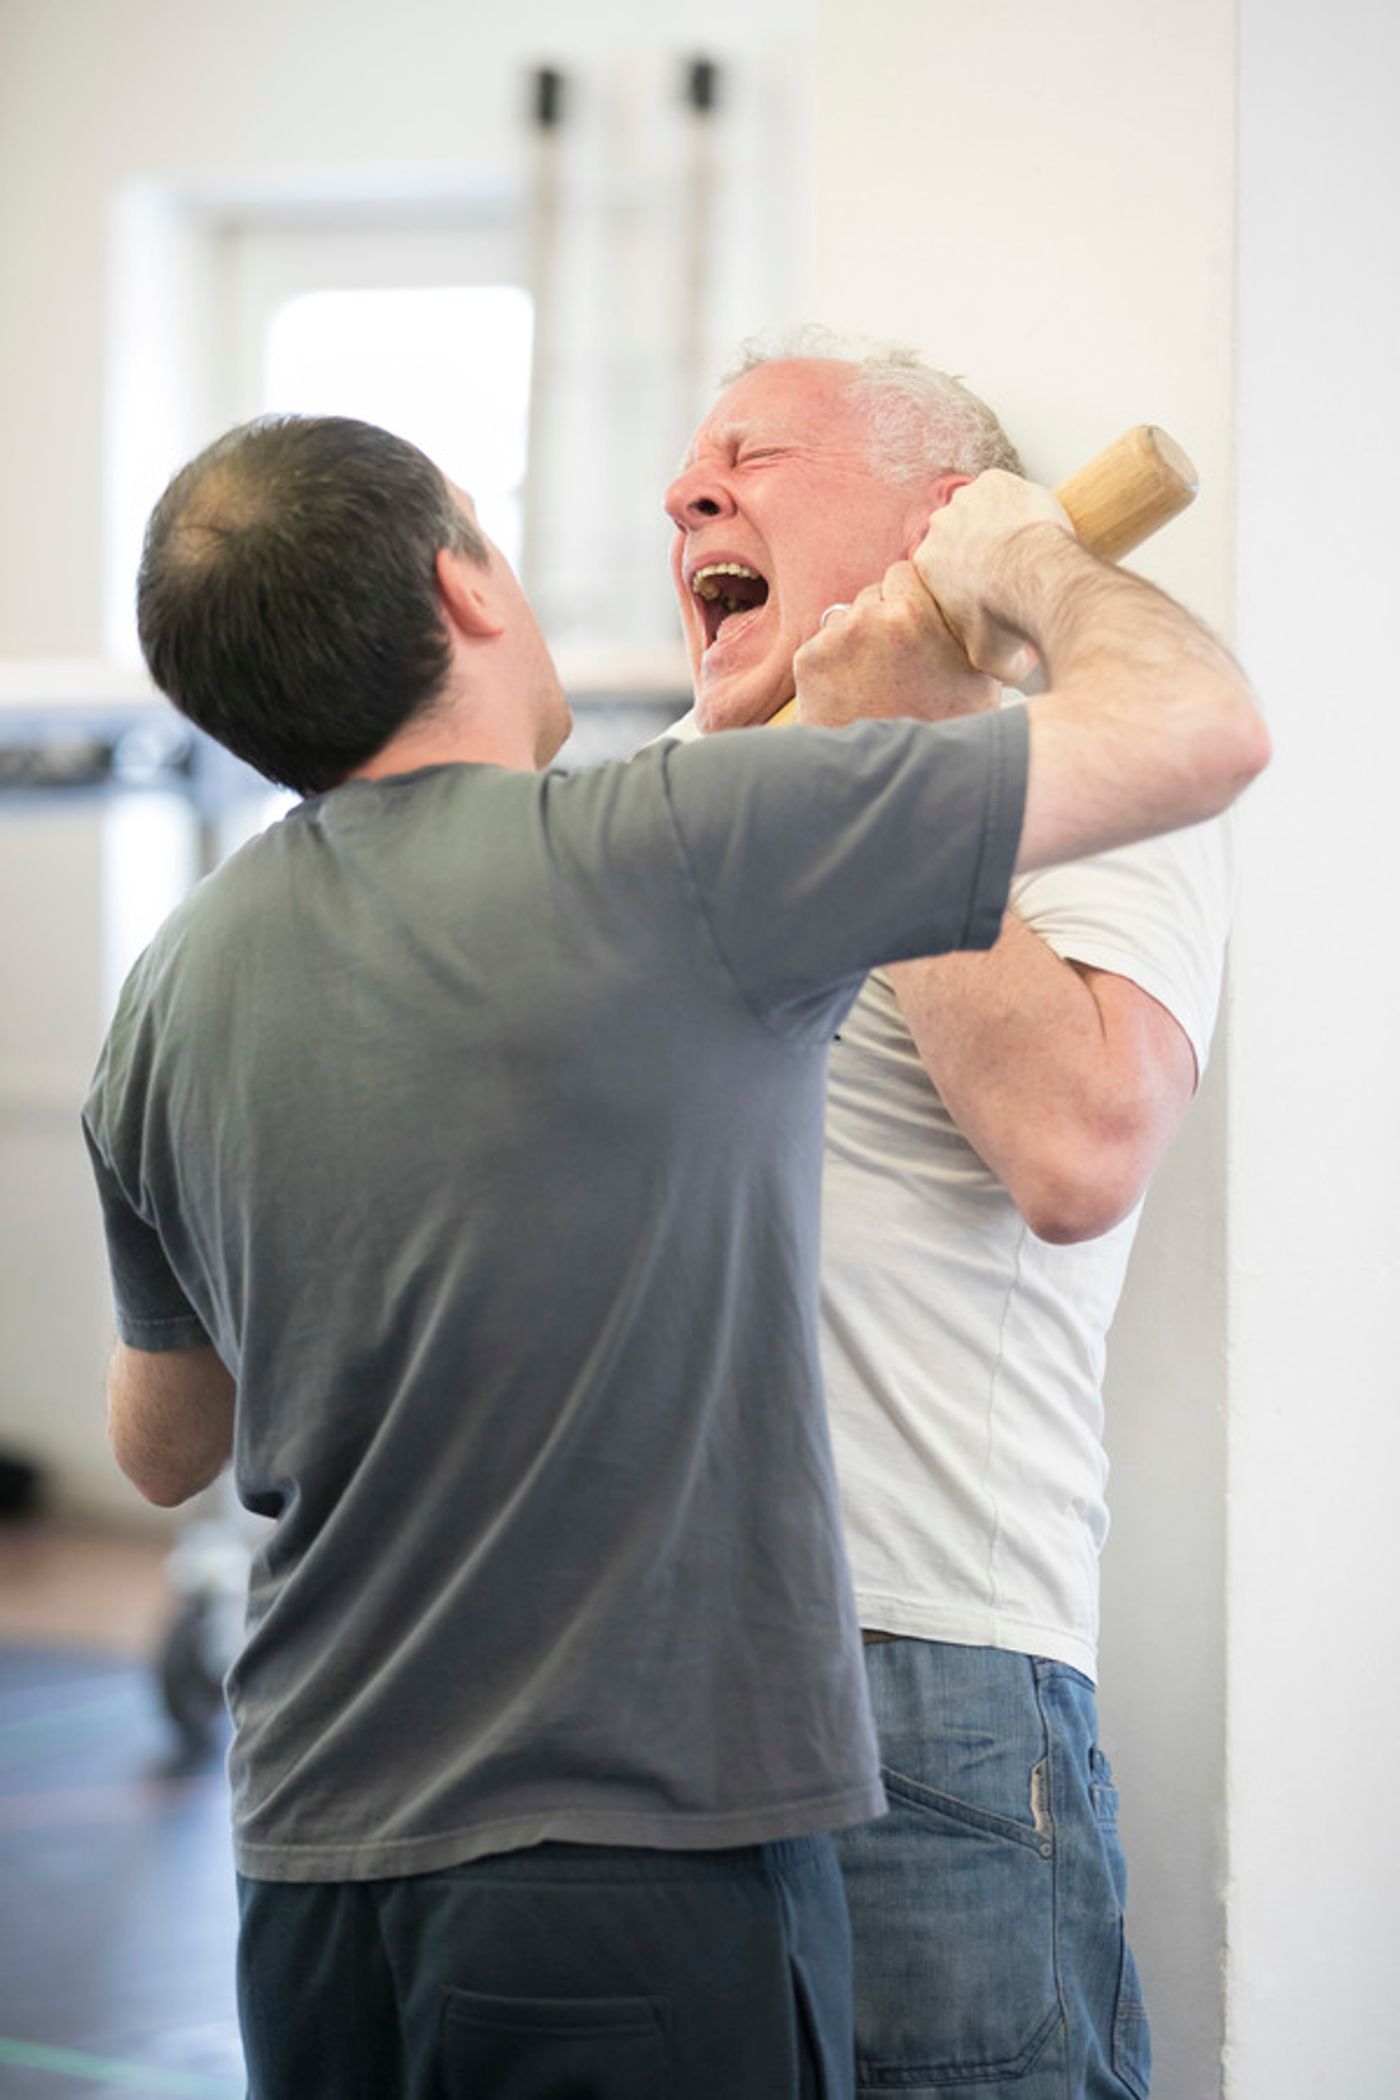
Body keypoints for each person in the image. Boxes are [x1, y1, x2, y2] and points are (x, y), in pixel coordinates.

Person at [83, 412, 1265, 2100]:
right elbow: (1204, 728)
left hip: (303, 1864)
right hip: (619, 1864)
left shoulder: (173, 981)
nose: (689, 493)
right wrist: (1017, 556)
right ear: (462, 586)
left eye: (757, 452)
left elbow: (160, 1446)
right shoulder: (670, 852)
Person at [664, 328, 1242, 2099]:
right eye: (690, 474)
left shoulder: (1058, 775)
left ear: (942, 521)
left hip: (909, 1672)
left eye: (756, 456)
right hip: (618, 1679)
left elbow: (1081, 1149)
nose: (692, 493)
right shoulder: (631, 813)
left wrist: (894, 763)